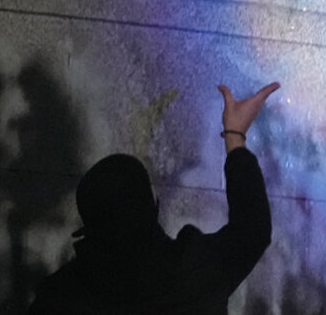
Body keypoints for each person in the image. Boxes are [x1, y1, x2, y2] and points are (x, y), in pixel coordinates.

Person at [28, 82, 280, 314]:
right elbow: (252, 230)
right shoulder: (198, 270)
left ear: (87, 227)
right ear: (154, 206)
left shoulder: (59, 298)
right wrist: (235, 135)